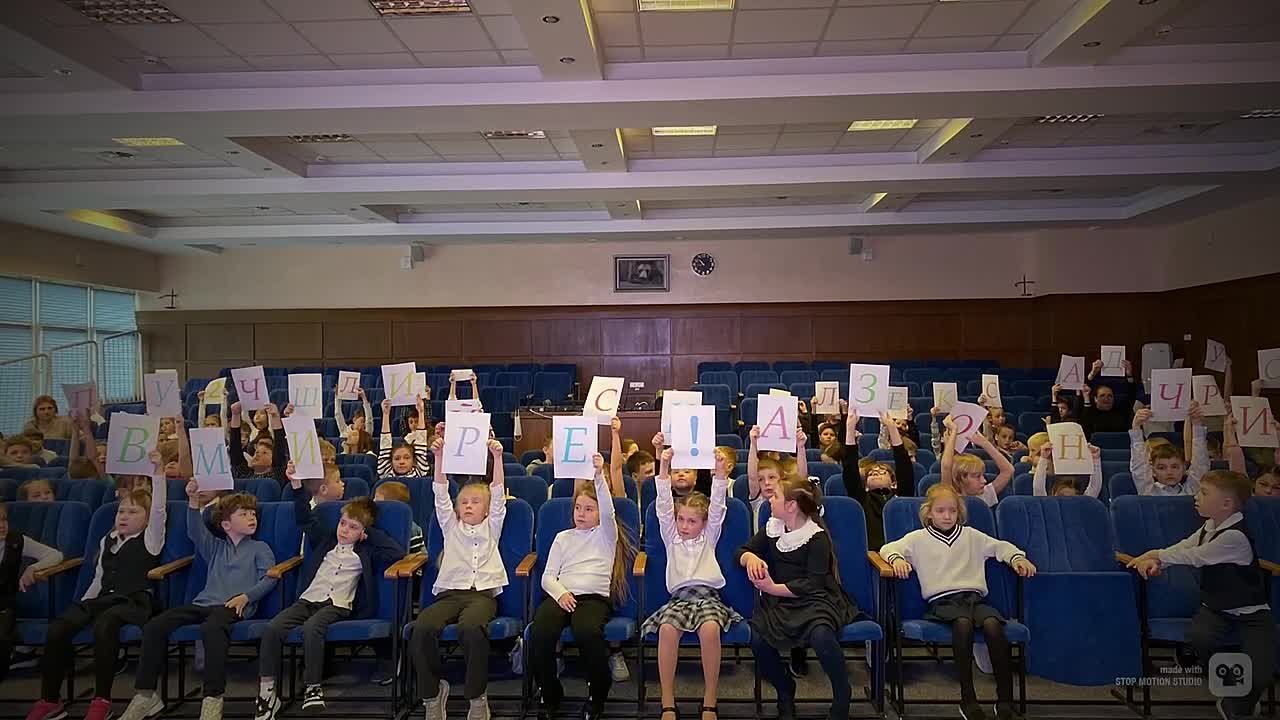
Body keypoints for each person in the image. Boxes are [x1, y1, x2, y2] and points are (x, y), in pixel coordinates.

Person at [27, 451, 167, 720]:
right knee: (59, 627)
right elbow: (98, 578)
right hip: (103, 598)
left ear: (148, 519)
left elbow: (160, 509)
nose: (124, 516)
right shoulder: (108, 540)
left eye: (133, 512)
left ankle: (102, 699)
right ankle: (50, 699)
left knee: (106, 624)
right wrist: (83, 607)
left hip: (134, 600)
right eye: (121, 511)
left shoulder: (151, 539)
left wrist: (158, 473)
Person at [1127, 471, 1275, 720]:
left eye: (1204, 493)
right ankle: (1230, 688)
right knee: (1199, 640)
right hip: (1215, 608)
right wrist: (1157, 559)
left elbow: (1195, 556)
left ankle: (1239, 702)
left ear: (1226, 504)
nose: (1196, 496)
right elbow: (1186, 546)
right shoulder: (1210, 526)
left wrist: (1154, 555)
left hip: (1252, 613)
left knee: (1261, 673)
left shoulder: (1234, 536)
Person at [880, 484, 1037, 720]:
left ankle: (1005, 699)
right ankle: (968, 699)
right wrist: (897, 559)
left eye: (952, 511)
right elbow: (888, 548)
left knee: (993, 625)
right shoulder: (918, 538)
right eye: (940, 511)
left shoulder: (972, 536)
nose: (947, 516)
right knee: (962, 624)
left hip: (974, 599)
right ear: (929, 513)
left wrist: (1016, 558)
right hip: (943, 602)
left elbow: (1000, 546)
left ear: (959, 512)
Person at [117, 489, 275, 720]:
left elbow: (269, 578)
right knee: (154, 626)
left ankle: (213, 697)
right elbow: (195, 531)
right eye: (243, 514)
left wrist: (246, 597)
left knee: (212, 628)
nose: (252, 517)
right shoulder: (215, 547)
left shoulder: (260, 548)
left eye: (253, 514)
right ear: (226, 525)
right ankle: (146, 695)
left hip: (234, 606)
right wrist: (192, 500)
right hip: (204, 603)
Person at [255, 481, 404, 718]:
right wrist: (297, 487)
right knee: (273, 628)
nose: (344, 530)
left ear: (362, 532)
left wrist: (370, 534)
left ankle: (313, 686)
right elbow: (305, 519)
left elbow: (397, 553)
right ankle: (267, 692)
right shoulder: (325, 541)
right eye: (343, 523)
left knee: (312, 627)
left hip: (337, 604)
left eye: (353, 527)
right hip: (308, 599)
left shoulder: (366, 551)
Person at [737, 475, 858, 720]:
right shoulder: (773, 527)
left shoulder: (816, 537)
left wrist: (772, 588)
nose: (770, 500)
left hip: (815, 600)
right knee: (758, 640)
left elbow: (812, 584)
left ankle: (842, 694)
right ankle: (784, 689)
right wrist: (751, 558)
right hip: (780, 600)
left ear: (791, 505)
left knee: (821, 635)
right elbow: (742, 550)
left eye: (776, 496)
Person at [529, 454, 634, 720]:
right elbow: (548, 577)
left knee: (586, 631)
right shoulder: (562, 537)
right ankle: (549, 694)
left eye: (589, 509)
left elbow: (609, 512)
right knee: (540, 632)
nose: (581, 514)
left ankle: (597, 694)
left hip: (593, 599)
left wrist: (598, 476)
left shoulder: (606, 536)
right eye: (578, 508)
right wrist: (561, 593)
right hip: (561, 595)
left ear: (599, 513)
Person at [410, 436, 508, 720]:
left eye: (475, 502)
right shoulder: (450, 527)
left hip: (482, 595)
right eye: (463, 502)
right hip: (450, 594)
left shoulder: (492, 526)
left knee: (472, 627)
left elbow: (497, 493)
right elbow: (440, 494)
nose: (468, 506)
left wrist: (497, 458)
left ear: (486, 509)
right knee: (422, 627)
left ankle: (477, 697)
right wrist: (439, 457)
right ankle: (432, 694)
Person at [643, 449, 741, 720]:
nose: (684, 526)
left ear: (704, 523)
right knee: (666, 630)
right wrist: (664, 465)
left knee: (710, 629)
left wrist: (719, 470)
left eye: (692, 521)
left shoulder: (709, 536)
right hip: (679, 599)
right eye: (681, 519)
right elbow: (664, 504)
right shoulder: (671, 537)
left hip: (708, 598)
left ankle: (710, 700)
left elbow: (718, 502)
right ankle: (667, 701)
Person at [0, 502, 64, 684]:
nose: (2, 525)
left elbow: (55, 555)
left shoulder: (16, 541)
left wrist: (33, 568)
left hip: (4, 605)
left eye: (3, 519)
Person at [844, 409, 915, 550]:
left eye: (883, 472)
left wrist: (892, 427)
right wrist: (850, 428)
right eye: (871, 473)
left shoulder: (900, 497)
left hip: (900, 552)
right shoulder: (861, 499)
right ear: (865, 486)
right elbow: (849, 469)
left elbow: (904, 466)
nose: (876, 473)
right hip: (872, 554)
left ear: (894, 483)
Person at [1130, 404, 1208, 496]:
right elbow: (1139, 468)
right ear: (1153, 471)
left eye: (1175, 467)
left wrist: (1197, 425)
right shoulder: (1149, 491)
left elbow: (1200, 464)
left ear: (1184, 469)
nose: (1169, 472)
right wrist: (1136, 427)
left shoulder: (1191, 490)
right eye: (1161, 468)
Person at [941, 415, 1014, 508]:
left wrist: (985, 443)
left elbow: (1009, 470)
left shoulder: (984, 495)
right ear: (961, 478)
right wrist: (954, 431)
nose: (984, 480)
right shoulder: (949, 497)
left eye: (982, 475)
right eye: (977, 476)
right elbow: (946, 466)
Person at [228, 402, 287, 482]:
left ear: (272, 461)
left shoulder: (276, 476)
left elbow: (279, 448)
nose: (258, 454)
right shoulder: (243, 475)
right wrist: (235, 415)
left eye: (264, 453)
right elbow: (235, 452)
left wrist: (275, 416)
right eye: (257, 452)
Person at [1080, 359, 1138, 435]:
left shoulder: (1121, 412)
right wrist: (1092, 374)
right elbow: (1084, 389)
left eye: (1110, 396)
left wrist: (1129, 375)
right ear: (1095, 399)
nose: (1106, 399)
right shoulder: (1090, 413)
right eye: (1102, 395)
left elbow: (1132, 395)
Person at [378, 398, 431, 479]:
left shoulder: (419, 470)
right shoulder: (386, 472)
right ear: (391, 462)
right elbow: (385, 446)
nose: (402, 462)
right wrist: (385, 414)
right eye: (397, 458)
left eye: (407, 458)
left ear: (414, 461)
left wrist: (421, 412)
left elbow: (421, 443)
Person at [1032, 442, 1102, 497]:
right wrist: (1043, 458)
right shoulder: (1048, 505)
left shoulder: (1081, 506)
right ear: (1054, 493)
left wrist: (1096, 460)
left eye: (1071, 498)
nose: (1065, 501)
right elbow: (1038, 489)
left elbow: (1094, 489)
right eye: (1061, 496)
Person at [372, 481, 425, 554]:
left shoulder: (413, 529)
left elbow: (417, 556)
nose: (373, 501)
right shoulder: (373, 522)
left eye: (377, 498)